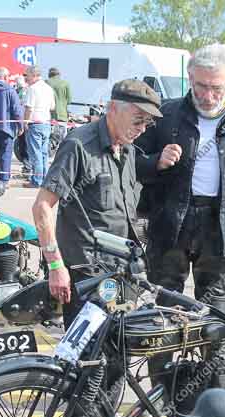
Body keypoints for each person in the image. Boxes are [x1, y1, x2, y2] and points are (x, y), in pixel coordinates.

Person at [134, 43, 225, 394]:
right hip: (171, 225)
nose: (208, 95)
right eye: (200, 86)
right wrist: (155, 162)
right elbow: (129, 162)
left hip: (222, 227)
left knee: (216, 317)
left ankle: (214, 401)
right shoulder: (165, 116)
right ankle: (164, 398)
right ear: (190, 79)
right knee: (164, 316)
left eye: (217, 88)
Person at [31, 79, 162, 327]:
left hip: (122, 270)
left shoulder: (128, 149)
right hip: (88, 274)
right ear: (113, 108)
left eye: (148, 122)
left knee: (118, 351)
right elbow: (42, 207)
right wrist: (56, 266)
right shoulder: (78, 145)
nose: (142, 129)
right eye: (138, 119)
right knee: (87, 357)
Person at [22, 65, 55, 187]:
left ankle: (36, 181)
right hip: (46, 123)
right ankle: (44, 179)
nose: (26, 78)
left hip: (35, 124)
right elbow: (52, 107)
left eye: (27, 75)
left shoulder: (33, 89)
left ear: (34, 75)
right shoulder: (49, 88)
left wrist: (25, 122)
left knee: (35, 154)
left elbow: (29, 107)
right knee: (44, 154)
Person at [47, 67, 71, 141]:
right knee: (62, 139)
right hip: (62, 115)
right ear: (59, 74)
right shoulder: (65, 83)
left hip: (49, 115)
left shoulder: (46, 82)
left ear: (49, 74)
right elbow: (69, 100)